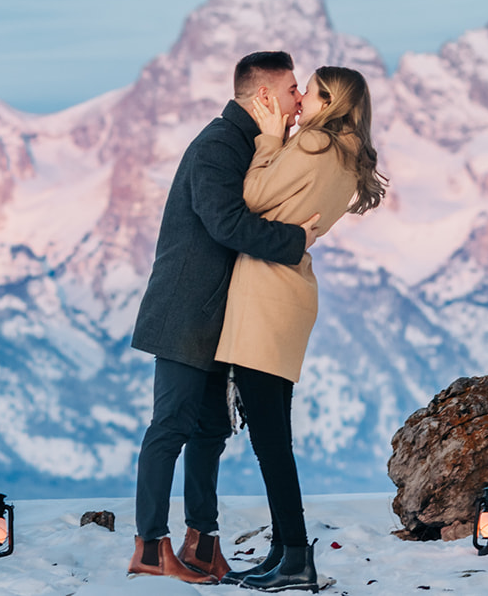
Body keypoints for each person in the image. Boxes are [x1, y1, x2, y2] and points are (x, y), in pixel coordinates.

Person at [128, 51, 323, 584]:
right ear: (263, 97)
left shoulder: (252, 146)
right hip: (186, 311)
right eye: (291, 91)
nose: (299, 101)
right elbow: (226, 224)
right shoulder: (218, 145)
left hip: (219, 315)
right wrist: (295, 240)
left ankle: (203, 541)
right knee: (170, 426)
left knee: (211, 430)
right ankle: (150, 546)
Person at [215, 66, 386, 592]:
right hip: (285, 295)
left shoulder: (314, 145)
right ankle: (283, 551)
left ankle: (294, 558)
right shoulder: (346, 155)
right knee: (273, 436)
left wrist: (268, 143)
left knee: (271, 439)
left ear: (330, 100)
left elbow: (250, 196)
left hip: (266, 296)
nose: (300, 99)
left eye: (308, 91)